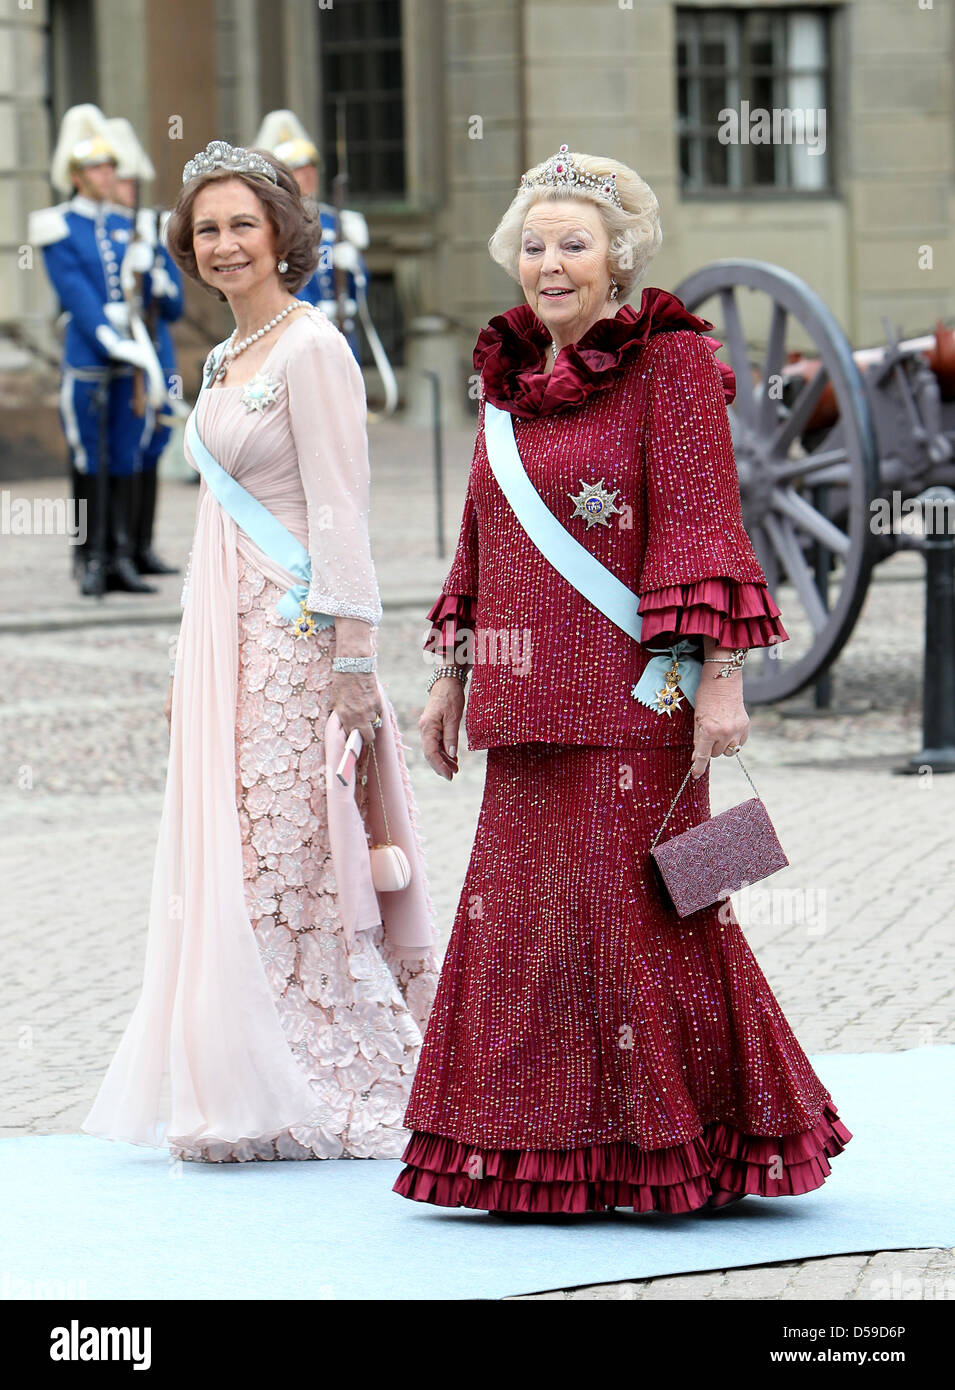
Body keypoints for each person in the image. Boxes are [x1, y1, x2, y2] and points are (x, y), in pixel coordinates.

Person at [392, 145, 852, 1215]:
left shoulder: (672, 362)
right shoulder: (507, 379)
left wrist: (724, 681)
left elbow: (704, 527)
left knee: (645, 917)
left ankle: (682, 1144)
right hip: (524, 703)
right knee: (520, 925)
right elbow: (481, 537)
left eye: (575, 244)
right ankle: (533, 1150)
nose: (551, 265)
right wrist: (451, 676)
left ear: (617, 256)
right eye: (535, 246)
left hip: (635, 698)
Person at [81, 140, 438, 1162]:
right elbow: (213, 528)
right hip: (224, 642)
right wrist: (181, 663)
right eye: (207, 230)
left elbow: (339, 504)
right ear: (187, 250)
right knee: (233, 858)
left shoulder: (312, 347)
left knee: (294, 855)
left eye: (243, 223)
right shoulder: (223, 358)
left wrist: (357, 656)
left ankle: (326, 1075)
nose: (226, 243)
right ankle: (251, 1072)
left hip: (295, 643)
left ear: (282, 230)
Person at [28, 104, 161, 596]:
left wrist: (150, 270)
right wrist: (109, 338)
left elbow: (143, 300)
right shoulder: (58, 225)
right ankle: (89, 557)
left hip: (132, 358)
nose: (111, 174)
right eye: (101, 168)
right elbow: (75, 291)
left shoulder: (128, 225)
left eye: (111, 166)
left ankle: (120, 556)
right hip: (90, 356)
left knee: (126, 454)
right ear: (78, 176)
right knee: (89, 460)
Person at [105, 115, 183, 575]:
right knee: (126, 444)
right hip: (127, 354)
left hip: (160, 351)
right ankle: (116, 548)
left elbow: (174, 307)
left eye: (135, 178)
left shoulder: (154, 230)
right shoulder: (102, 233)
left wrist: (159, 280)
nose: (130, 186)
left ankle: (142, 545)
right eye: (123, 178)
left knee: (157, 440)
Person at [252, 110, 369, 364]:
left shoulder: (334, 221)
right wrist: (310, 312)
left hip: (339, 334)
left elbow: (360, 290)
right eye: (298, 170)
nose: (307, 177)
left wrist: (352, 269)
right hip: (292, 336)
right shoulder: (271, 226)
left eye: (310, 169)